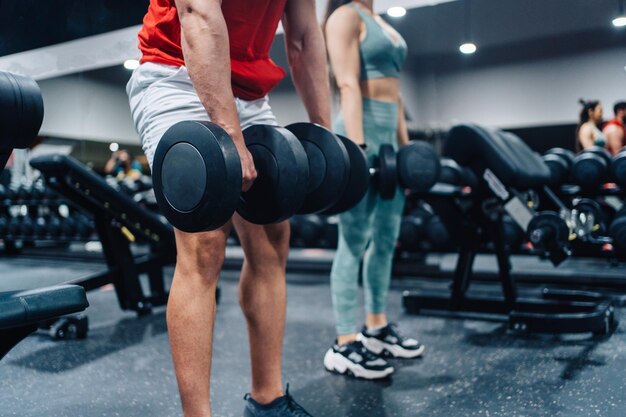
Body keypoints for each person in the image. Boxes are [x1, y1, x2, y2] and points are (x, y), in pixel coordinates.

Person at [126, 1, 330, 416]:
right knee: (204, 242)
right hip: (178, 67)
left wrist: (324, 136)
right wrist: (230, 135)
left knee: (274, 236)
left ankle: (267, 399)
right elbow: (196, 13)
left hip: (250, 91)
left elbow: (305, 37)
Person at [322, 0, 424, 380]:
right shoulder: (345, 16)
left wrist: (406, 152)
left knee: (386, 237)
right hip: (358, 130)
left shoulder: (381, 21)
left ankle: (376, 328)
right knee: (354, 239)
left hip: (388, 140)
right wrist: (359, 151)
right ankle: (346, 343)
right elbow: (347, 84)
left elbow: (396, 96)